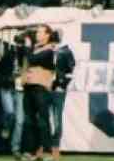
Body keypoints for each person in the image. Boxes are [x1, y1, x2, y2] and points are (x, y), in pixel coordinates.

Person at [20, 27, 64, 161]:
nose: (36, 34)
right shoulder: (34, 47)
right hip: (28, 87)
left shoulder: (50, 49)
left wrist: (27, 47)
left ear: (47, 35)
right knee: (29, 120)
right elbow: (25, 60)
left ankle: (48, 151)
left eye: (40, 32)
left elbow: (33, 59)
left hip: (41, 88)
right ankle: (32, 152)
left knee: (43, 121)